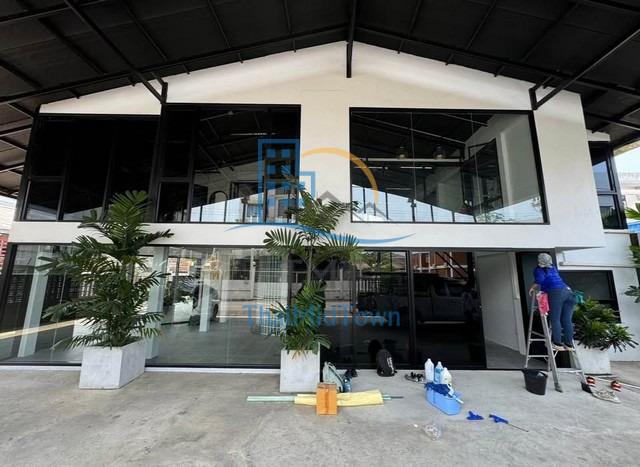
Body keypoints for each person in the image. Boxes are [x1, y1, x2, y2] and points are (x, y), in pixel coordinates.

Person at [529, 253, 576, 351]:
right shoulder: (553, 268)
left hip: (556, 293)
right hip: (569, 292)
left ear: (539, 261)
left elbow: (539, 280)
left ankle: (557, 343)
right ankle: (569, 344)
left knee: (555, 319)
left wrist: (532, 288)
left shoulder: (539, 269)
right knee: (567, 320)